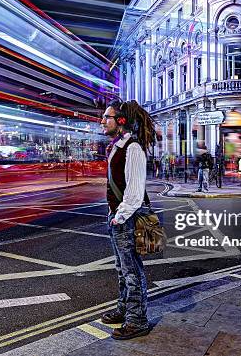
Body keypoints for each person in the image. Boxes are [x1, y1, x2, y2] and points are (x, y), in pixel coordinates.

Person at [99, 99, 156, 340]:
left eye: (107, 117)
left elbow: (134, 192)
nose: (102, 120)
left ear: (121, 121)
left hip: (128, 218)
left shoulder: (132, 148)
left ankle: (138, 320)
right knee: (122, 269)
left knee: (132, 271)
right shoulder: (117, 146)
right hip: (118, 215)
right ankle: (125, 309)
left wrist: (119, 216)